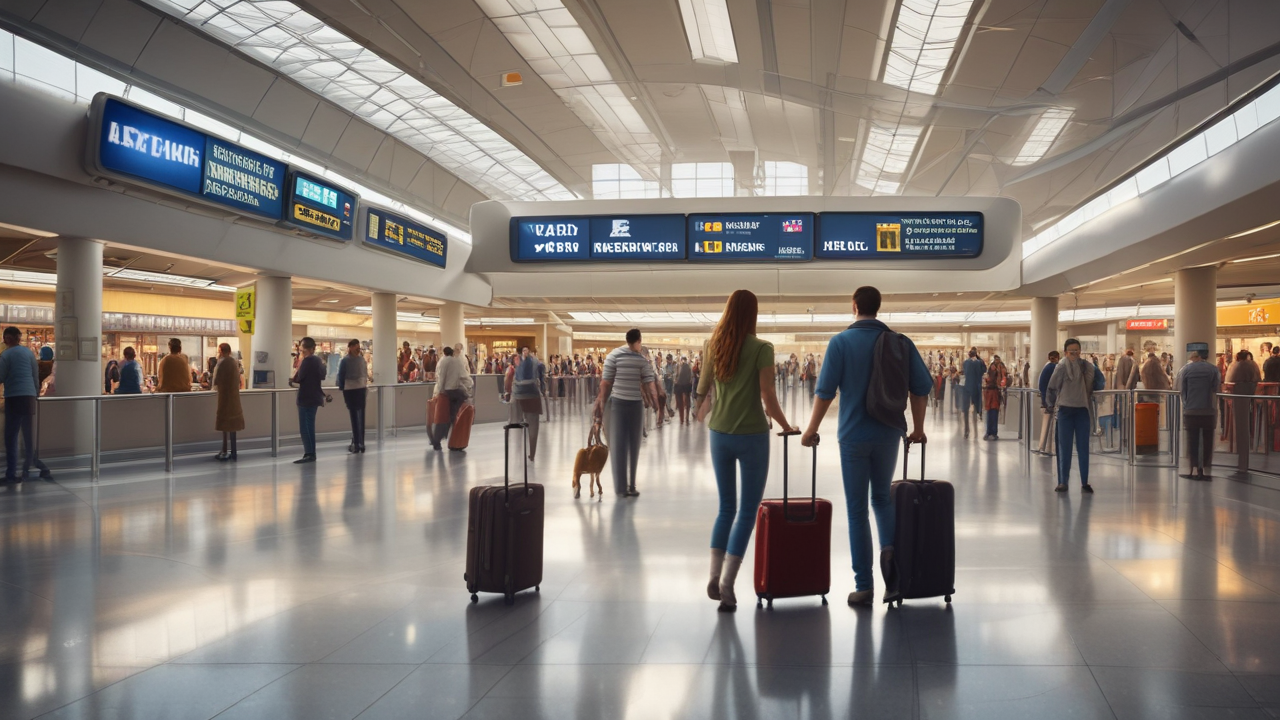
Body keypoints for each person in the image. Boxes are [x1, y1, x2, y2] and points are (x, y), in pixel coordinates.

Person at [800, 286, 931, 606]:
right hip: (889, 434)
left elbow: (826, 392)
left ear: (855, 306)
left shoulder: (841, 342)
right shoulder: (900, 342)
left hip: (853, 437)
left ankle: (864, 585)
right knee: (883, 501)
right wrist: (918, 428)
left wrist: (811, 429)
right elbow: (921, 387)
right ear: (878, 307)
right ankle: (891, 561)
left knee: (857, 510)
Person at [695, 290, 795, 612]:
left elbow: (703, 387)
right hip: (752, 435)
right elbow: (767, 395)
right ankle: (727, 583)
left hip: (719, 435)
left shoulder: (714, 344)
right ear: (753, 314)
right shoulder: (762, 348)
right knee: (747, 513)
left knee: (726, 507)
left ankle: (712, 574)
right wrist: (786, 424)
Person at [594, 328, 657, 498]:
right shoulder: (636, 359)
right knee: (629, 445)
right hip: (627, 405)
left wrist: (601, 404)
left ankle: (624, 487)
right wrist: (655, 401)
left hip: (621, 404)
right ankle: (628, 486)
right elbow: (649, 383)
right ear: (639, 340)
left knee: (620, 445)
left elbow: (605, 384)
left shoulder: (616, 356)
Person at [1046, 338, 1106, 493]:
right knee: (1064, 448)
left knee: (1083, 447)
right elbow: (1052, 387)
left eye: (1076, 350)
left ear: (1080, 351)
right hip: (1065, 410)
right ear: (1065, 352)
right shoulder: (1060, 367)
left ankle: (1084, 482)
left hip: (1082, 411)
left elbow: (1099, 382)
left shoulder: (1086, 366)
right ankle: (1062, 482)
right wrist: (1050, 406)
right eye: (1071, 351)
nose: (1074, 353)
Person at [0, 326, 53, 483]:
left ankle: (11, 474)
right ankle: (28, 470)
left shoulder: (5, 355)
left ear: (6, 339)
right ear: (19, 338)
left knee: (11, 436)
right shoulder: (29, 353)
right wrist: (35, 394)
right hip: (29, 397)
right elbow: (35, 376)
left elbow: (1, 376)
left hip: (14, 397)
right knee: (28, 436)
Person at [1176, 346, 1221, 480]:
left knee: (1192, 440)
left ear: (1195, 357)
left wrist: (1186, 405)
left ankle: (1193, 468)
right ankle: (1206, 468)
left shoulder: (1186, 370)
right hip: (1208, 410)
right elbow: (1216, 387)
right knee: (1207, 439)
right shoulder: (1213, 369)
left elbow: (1182, 390)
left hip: (1191, 411)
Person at [289, 336, 329, 464]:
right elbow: (322, 375)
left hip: (306, 398)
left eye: (302, 350)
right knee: (310, 426)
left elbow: (298, 378)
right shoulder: (319, 361)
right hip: (315, 397)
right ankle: (311, 452)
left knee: (305, 427)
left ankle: (309, 453)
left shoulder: (306, 361)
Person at [430, 345, 474, 451]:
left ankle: (437, 440)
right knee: (454, 413)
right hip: (454, 391)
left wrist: (438, 392)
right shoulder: (457, 361)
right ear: (453, 352)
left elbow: (441, 378)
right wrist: (469, 386)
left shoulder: (442, 362)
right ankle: (454, 433)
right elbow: (464, 376)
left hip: (445, 391)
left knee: (443, 417)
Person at [1225, 349, 1261, 468]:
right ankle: (1245, 449)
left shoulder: (1237, 366)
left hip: (1239, 393)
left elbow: (1230, 380)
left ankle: (1240, 449)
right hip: (1250, 392)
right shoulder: (1253, 365)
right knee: (1246, 421)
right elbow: (1257, 378)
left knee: (1240, 422)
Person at [509, 348, 545, 461]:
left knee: (514, 425)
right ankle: (532, 453)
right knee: (533, 426)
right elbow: (541, 379)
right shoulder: (537, 362)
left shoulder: (516, 362)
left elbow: (508, 380)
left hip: (517, 396)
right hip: (533, 395)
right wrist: (543, 391)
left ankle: (516, 454)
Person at [213, 343, 243, 461]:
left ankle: (225, 450)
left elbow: (216, 381)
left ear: (221, 351)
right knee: (233, 427)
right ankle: (233, 451)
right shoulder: (233, 363)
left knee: (225, 426)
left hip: (224, 398)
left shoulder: (222, 363)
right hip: (234, 399)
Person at [336, 339, 368, 454]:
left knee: (354, 416)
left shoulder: (345, 361)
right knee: (361, 416)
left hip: (350, 390)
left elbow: (341, 375)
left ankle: (356, 444)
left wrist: (341, 387)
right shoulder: (362, 360)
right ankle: (361, 443)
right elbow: (365, 374)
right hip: (362, 389)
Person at [1037, 351, 1060, 452]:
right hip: (1049, 400)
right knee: (1051, 425)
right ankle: (1049, 448)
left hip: (1045, 399)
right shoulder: (1052, 368)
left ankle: (1043, 446)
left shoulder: (1046, 367)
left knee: (1046, 423)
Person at [961, 348, 986, 438]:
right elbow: (983, 370)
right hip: (976, 387)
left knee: (966, 408)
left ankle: (966, 429)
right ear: (976, 354)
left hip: (967, 387)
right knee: (976, 406)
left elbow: (964, 371)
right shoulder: (979, 363)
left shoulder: (965, 363)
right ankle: (976, 421)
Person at [983, 354, 1007, 440]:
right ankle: (991, 432)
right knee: (992, 412)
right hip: (993, 392)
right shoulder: (999, 367)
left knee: (992, 412)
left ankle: (991, 432)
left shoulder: (997, 367)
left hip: (993, 392)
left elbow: (993, 378)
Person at [674, 355, 694, 425]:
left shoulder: (679, 366)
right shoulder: (688, 366)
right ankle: (686, 418)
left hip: (679, 385)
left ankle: (682, 419)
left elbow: (676, 375)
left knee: (680, 403)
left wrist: (676, 381)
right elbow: (691, 376)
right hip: (686, 385)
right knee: (687, 402)